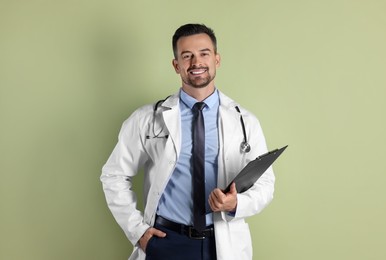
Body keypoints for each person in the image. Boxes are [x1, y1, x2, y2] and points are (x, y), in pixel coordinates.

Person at [100, 23, 275, 260]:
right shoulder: (147, 119)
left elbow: (265, 185)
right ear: (176, 65)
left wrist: (236, 203)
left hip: (223, 243)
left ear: (216, 59)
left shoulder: (245, 121)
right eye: (187, 56)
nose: (196, 63)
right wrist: (138, 231)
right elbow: (114, 175)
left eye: (204, 54)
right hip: (166, 242)